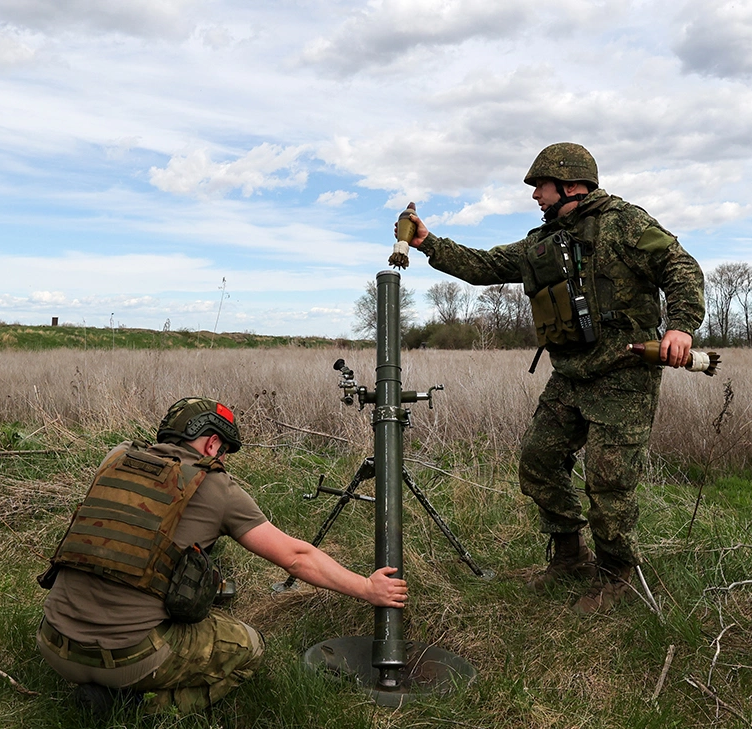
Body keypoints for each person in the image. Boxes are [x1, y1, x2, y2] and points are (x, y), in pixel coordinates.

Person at [402, 142, 704, 614]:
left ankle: (617, 575)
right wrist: (428, 244)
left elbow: (679, 266)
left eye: (539, 186)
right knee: (538, 460)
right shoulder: (541, 243)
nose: (535, 195)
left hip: (624, 375)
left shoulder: (626, 222)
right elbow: (484, 267)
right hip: (571, 375)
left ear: (570, 184)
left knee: (608, 483)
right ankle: (570, 557)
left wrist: (681, 325)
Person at [36, 397, 407, 714]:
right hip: (132, 657)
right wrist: (367, 588)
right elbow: (296, 557)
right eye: (225, 451)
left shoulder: (115, 459)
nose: (224, 460)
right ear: (212, 444)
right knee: (249, 648)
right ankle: (133, 706)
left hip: (53, 641)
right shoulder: (215, 486)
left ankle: (97, 685)